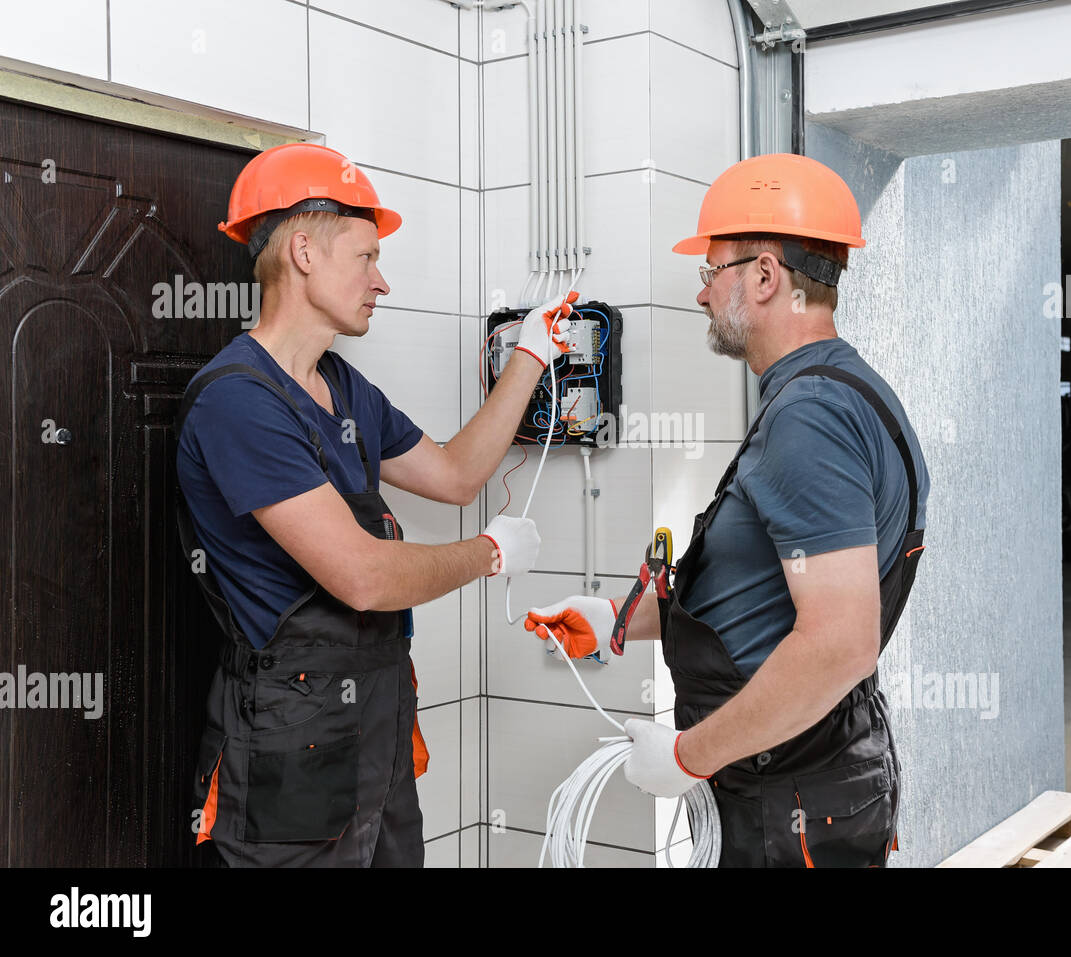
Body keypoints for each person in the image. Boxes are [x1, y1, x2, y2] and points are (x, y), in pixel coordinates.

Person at [524, 152, 930, 867]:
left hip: (788, 796)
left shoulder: (810, 417)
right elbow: (762, 591)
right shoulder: (840, 391)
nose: (703, 295)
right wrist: (616, 621)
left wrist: (687, 755)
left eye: (713, 274)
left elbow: (839, 642)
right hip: (807, 780)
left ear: (766, 276)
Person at [177, 141, 572, 866]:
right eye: (365, 257)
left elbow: (454, 475)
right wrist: (490, 554)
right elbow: (363, 575)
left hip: (379, 710)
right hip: (293, 728)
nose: (381, 281)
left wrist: (530, 358)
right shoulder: (238, 400)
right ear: (302, 251)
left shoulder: (345, 387)